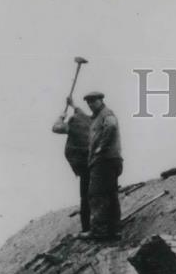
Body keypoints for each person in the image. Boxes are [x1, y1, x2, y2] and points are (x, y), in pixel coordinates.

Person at [83, 91, 123, 240]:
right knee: (110, 195)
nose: (91, 104)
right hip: (110, 160)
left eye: (93, 101)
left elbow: (111, 127)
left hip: (104, 161)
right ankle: (114, 231)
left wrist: (101, 147)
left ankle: (99, 231)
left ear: (101, 100)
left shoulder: (106, 114)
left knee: (97, 195)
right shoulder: (97, 117)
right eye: (89, 102)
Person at [51, 100, 92, 231]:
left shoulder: (73, 126)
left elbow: (56, 128)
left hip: (84, 166)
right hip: (94, 163)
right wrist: (73, 105)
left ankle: (86, 228)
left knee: (85, 197)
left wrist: (61, 117)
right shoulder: (88, 121)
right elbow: (81, 113)